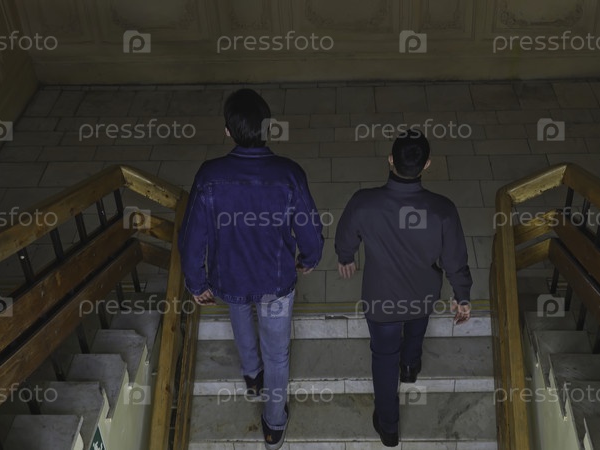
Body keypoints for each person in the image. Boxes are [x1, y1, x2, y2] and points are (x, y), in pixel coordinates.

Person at [179, 88, 324, 450]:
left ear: (227, 131)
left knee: (240, 315)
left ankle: (251, 376)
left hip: (229, 277)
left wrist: (196, 282)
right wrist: (309, 258)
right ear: (268, 128)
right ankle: (274, 425)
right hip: (275, 281)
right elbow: (309, 228)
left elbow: (192, 236)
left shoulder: (209, 176)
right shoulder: (289, 174)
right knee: (278, 353)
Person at [334, 130, 473, 447]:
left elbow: (345, 237)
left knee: (384, 358)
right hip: (423, 295)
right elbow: (455, 261)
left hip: (380, 300)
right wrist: (462, 296)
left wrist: (346, 257)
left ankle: (388, 427)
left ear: (390, 160)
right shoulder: (442, 210)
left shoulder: (364, 202)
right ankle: (410, 367)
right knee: (415, 329)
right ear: (427, 165)